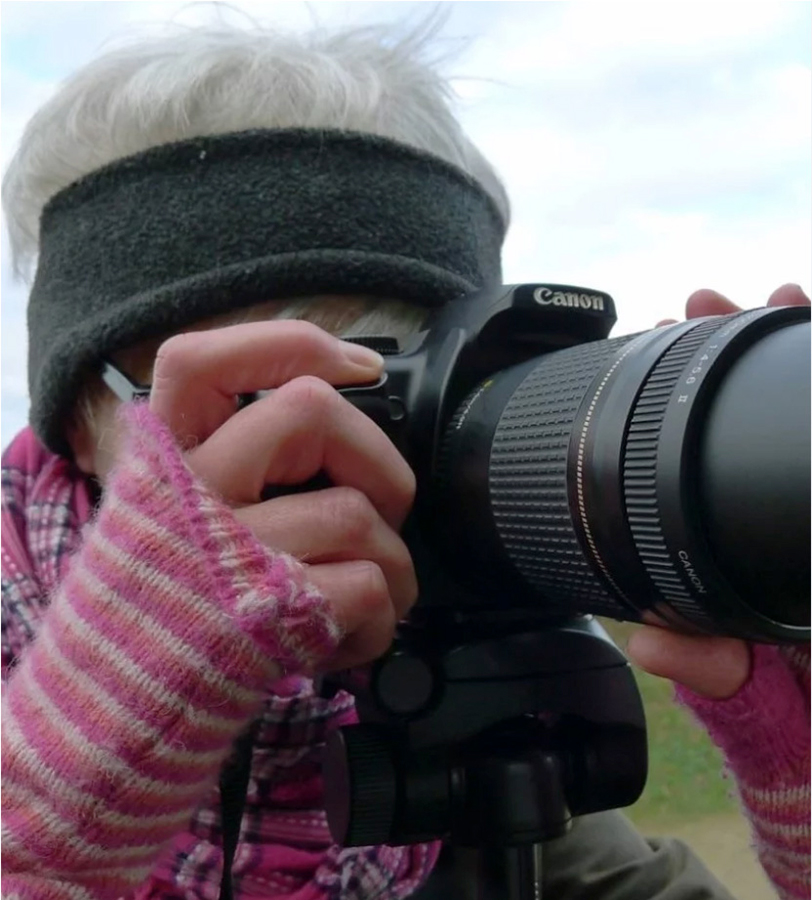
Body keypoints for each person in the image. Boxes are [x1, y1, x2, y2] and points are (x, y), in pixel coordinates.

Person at [1, 19, 808, 900]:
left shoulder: (488, 753)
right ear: (78, 422)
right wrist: (45, 829)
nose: (353, 485)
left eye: (396, 409)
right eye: (255, 410)